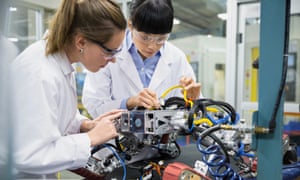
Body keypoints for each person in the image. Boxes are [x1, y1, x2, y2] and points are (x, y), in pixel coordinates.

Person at [11, 0, 127, 178]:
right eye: (109, 51)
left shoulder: (60, 63)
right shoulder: (39, 73)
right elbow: (29, 154)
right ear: (81, 42)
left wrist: (84, 125)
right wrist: (90, 138)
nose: (113, 60)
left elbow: (53, 115)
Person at [82, 0, 202, 119]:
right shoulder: (109, 52)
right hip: (117, 136)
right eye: (145, 38)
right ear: (130, 25)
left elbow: (190, 117)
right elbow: (94, 105)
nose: (152, 46)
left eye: (161, 39)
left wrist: (192, 99)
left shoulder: (177, 58)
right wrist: (130, 102)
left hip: (164, 137)